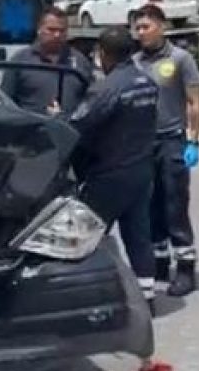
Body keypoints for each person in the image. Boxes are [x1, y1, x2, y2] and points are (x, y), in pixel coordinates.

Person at [67, 26, 160, 310]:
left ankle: (87, 297)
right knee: (139, 236)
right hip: (142, 171)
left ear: (103, 54)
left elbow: (80, 124)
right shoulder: (147, 82)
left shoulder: (108, 87)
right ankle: (147, 297)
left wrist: (56, 116)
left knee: (86, 234)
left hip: (110, 174)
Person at [132, 4, 199, 298]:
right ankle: (159, 260)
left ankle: (186, 266)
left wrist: (194, 140)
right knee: (150, 204)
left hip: (172, 140)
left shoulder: (180, 59)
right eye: (137, 28)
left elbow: (195, 102)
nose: (140, 33)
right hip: (142, 143)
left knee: (175, 203)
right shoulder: (134, 61)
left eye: (145, 27)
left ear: (162, 26)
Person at [2, 6, 94, 116]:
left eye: (62, 31)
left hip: (69, 130)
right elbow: (5, 102)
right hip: (32, 130)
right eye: (51, 30)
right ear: (39, 30)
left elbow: (91, 101)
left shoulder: (80, 62)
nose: (57, 35)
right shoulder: (21, 61)